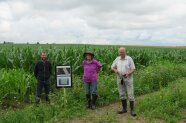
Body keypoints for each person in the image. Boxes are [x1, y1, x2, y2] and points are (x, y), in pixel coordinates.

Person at [111, 47, 136, 116]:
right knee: (122, 93)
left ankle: (132, 110)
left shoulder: (129, 59)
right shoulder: (117, 59)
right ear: (119, 53)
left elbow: (133, 68)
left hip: (128, 78)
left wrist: (128, 73)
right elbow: (112, 67)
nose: (122, 53)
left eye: (123, 52)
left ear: (125, 52)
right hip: (119, 78)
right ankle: (124, 109)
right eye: (120, 52)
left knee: (130, 93)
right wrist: (115, 70)